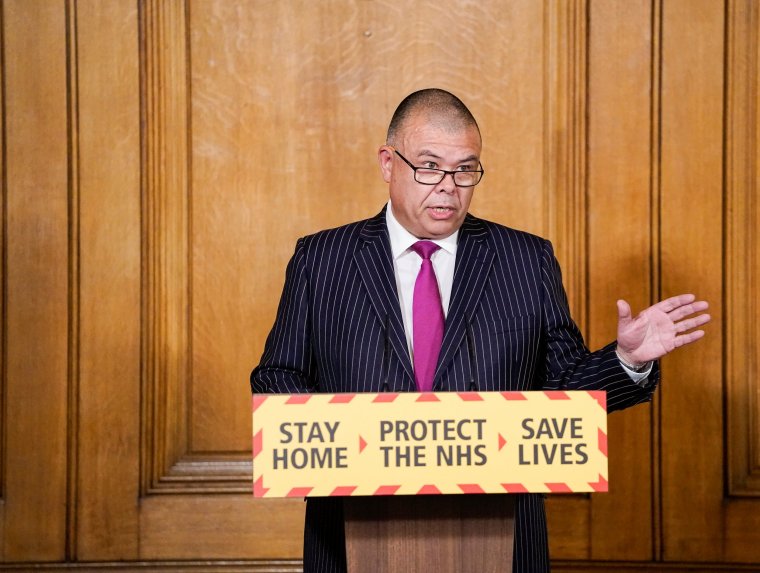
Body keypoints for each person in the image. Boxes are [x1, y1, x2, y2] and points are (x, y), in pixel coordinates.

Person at [250, 88, 710, 573]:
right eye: (429, 166)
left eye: (466, 169)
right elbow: (277, 375)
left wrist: (627, 360)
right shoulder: (322, 259)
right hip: (350, 531)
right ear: (388, 163)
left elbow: (563, 391)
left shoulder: (525, 261)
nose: (449, 186)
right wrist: (350, 437)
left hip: (502, 535)